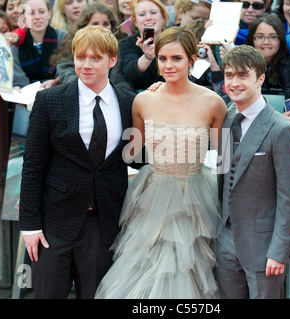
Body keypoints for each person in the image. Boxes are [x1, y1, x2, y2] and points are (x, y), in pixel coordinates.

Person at [95, 26, 227, 299]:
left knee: (190, 272)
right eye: (163, 59)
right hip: (151, 197)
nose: (168, 65)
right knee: (143, 268)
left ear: (192, 60)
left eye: (176, 58)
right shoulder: (143, 100)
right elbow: (131, 154)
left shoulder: (214, 103)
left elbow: (224, 160)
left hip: (196, 200)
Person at [19, 25, 138, 299]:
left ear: (112, 60)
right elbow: (33, 165)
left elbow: (138, 160)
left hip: (103, 221)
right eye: (80, 57)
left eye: (95, 58)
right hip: (53, 223)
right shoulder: (50, 100)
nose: (85, 65)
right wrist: (30, 225)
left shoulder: (129, 103)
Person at [215, 44, 290, 299]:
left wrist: (279, 250)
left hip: (265, 248)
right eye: (229, 75)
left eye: (243, 75)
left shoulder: (282, 129)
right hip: (225, 241)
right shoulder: (226, 118)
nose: (234, 82)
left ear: (260, 78)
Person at [244, 13, 290, 131]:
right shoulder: (244, 65)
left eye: (273, 37)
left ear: (280, 39)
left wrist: (287, 121)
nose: (266, 42)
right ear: (252, 39)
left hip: (281, 131)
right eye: (260, 36)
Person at [11, 0, 67, 88]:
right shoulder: (16, 44)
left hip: (58, 92)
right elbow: (19, 79)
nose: (37, 17)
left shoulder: (63, 37)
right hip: (26, 97)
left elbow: (66, 70)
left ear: (49, 14)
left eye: (41, 12)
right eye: (31, 13)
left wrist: (56, 82)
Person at [118, 0, 168, 90]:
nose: (148, 18)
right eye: (142, 14)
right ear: (135, 22)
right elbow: (129, 71)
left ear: (163, 17)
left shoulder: (175, 39)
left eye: (153, 13)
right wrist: (147, 57)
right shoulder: (128, 43)